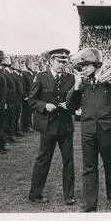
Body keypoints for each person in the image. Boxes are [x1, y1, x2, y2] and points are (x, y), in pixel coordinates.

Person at [66, 47, 111, 212]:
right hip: (88, 129)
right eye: (82, 66)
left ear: (96, 64)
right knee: (89, 167)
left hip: (108, 129)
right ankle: (90, 203)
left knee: (110, 165)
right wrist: (76, 87)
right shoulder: (82, 82)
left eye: (86, 65)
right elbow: (70, 105)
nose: (83, 68)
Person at [28, 48, 76, 204]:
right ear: (51, 61)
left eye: (64, 62)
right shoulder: (41, 77)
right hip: (48, 126)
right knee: (43, 160)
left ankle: (69, 196)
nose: (62, 65)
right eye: (59, 62)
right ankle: (35, 194)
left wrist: (70, 105)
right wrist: (44, 105)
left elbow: (76, 100)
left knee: (68, 161)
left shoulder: (71, 79)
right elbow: (32, 100)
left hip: (65, 126)